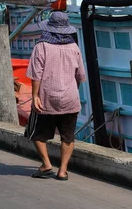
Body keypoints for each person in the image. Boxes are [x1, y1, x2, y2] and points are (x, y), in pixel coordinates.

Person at [25, 11, 86, 181]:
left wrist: (35, 96)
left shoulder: (41, 46)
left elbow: (36, 74)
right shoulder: (74, 47)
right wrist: (72, 90)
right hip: (70, 99)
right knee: (68, 136)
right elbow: (80, 75)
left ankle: (46, 164)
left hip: (46, 98)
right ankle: (63, 170)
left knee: (35, 133)